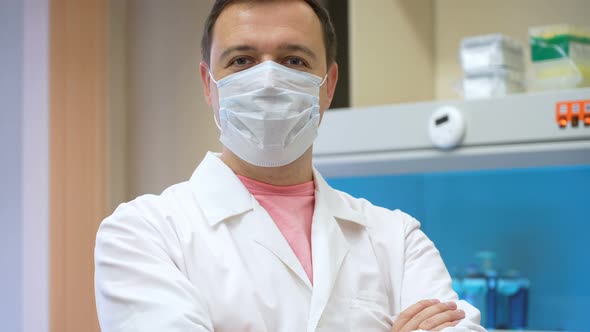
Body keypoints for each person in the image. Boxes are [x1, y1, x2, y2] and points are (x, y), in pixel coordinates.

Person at [94, 1, 486, 331]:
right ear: (208, 84)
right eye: (241, 60)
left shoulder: (396, 238)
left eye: (293, 60)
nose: (267, 81)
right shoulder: (142, 234)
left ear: (328, 85)